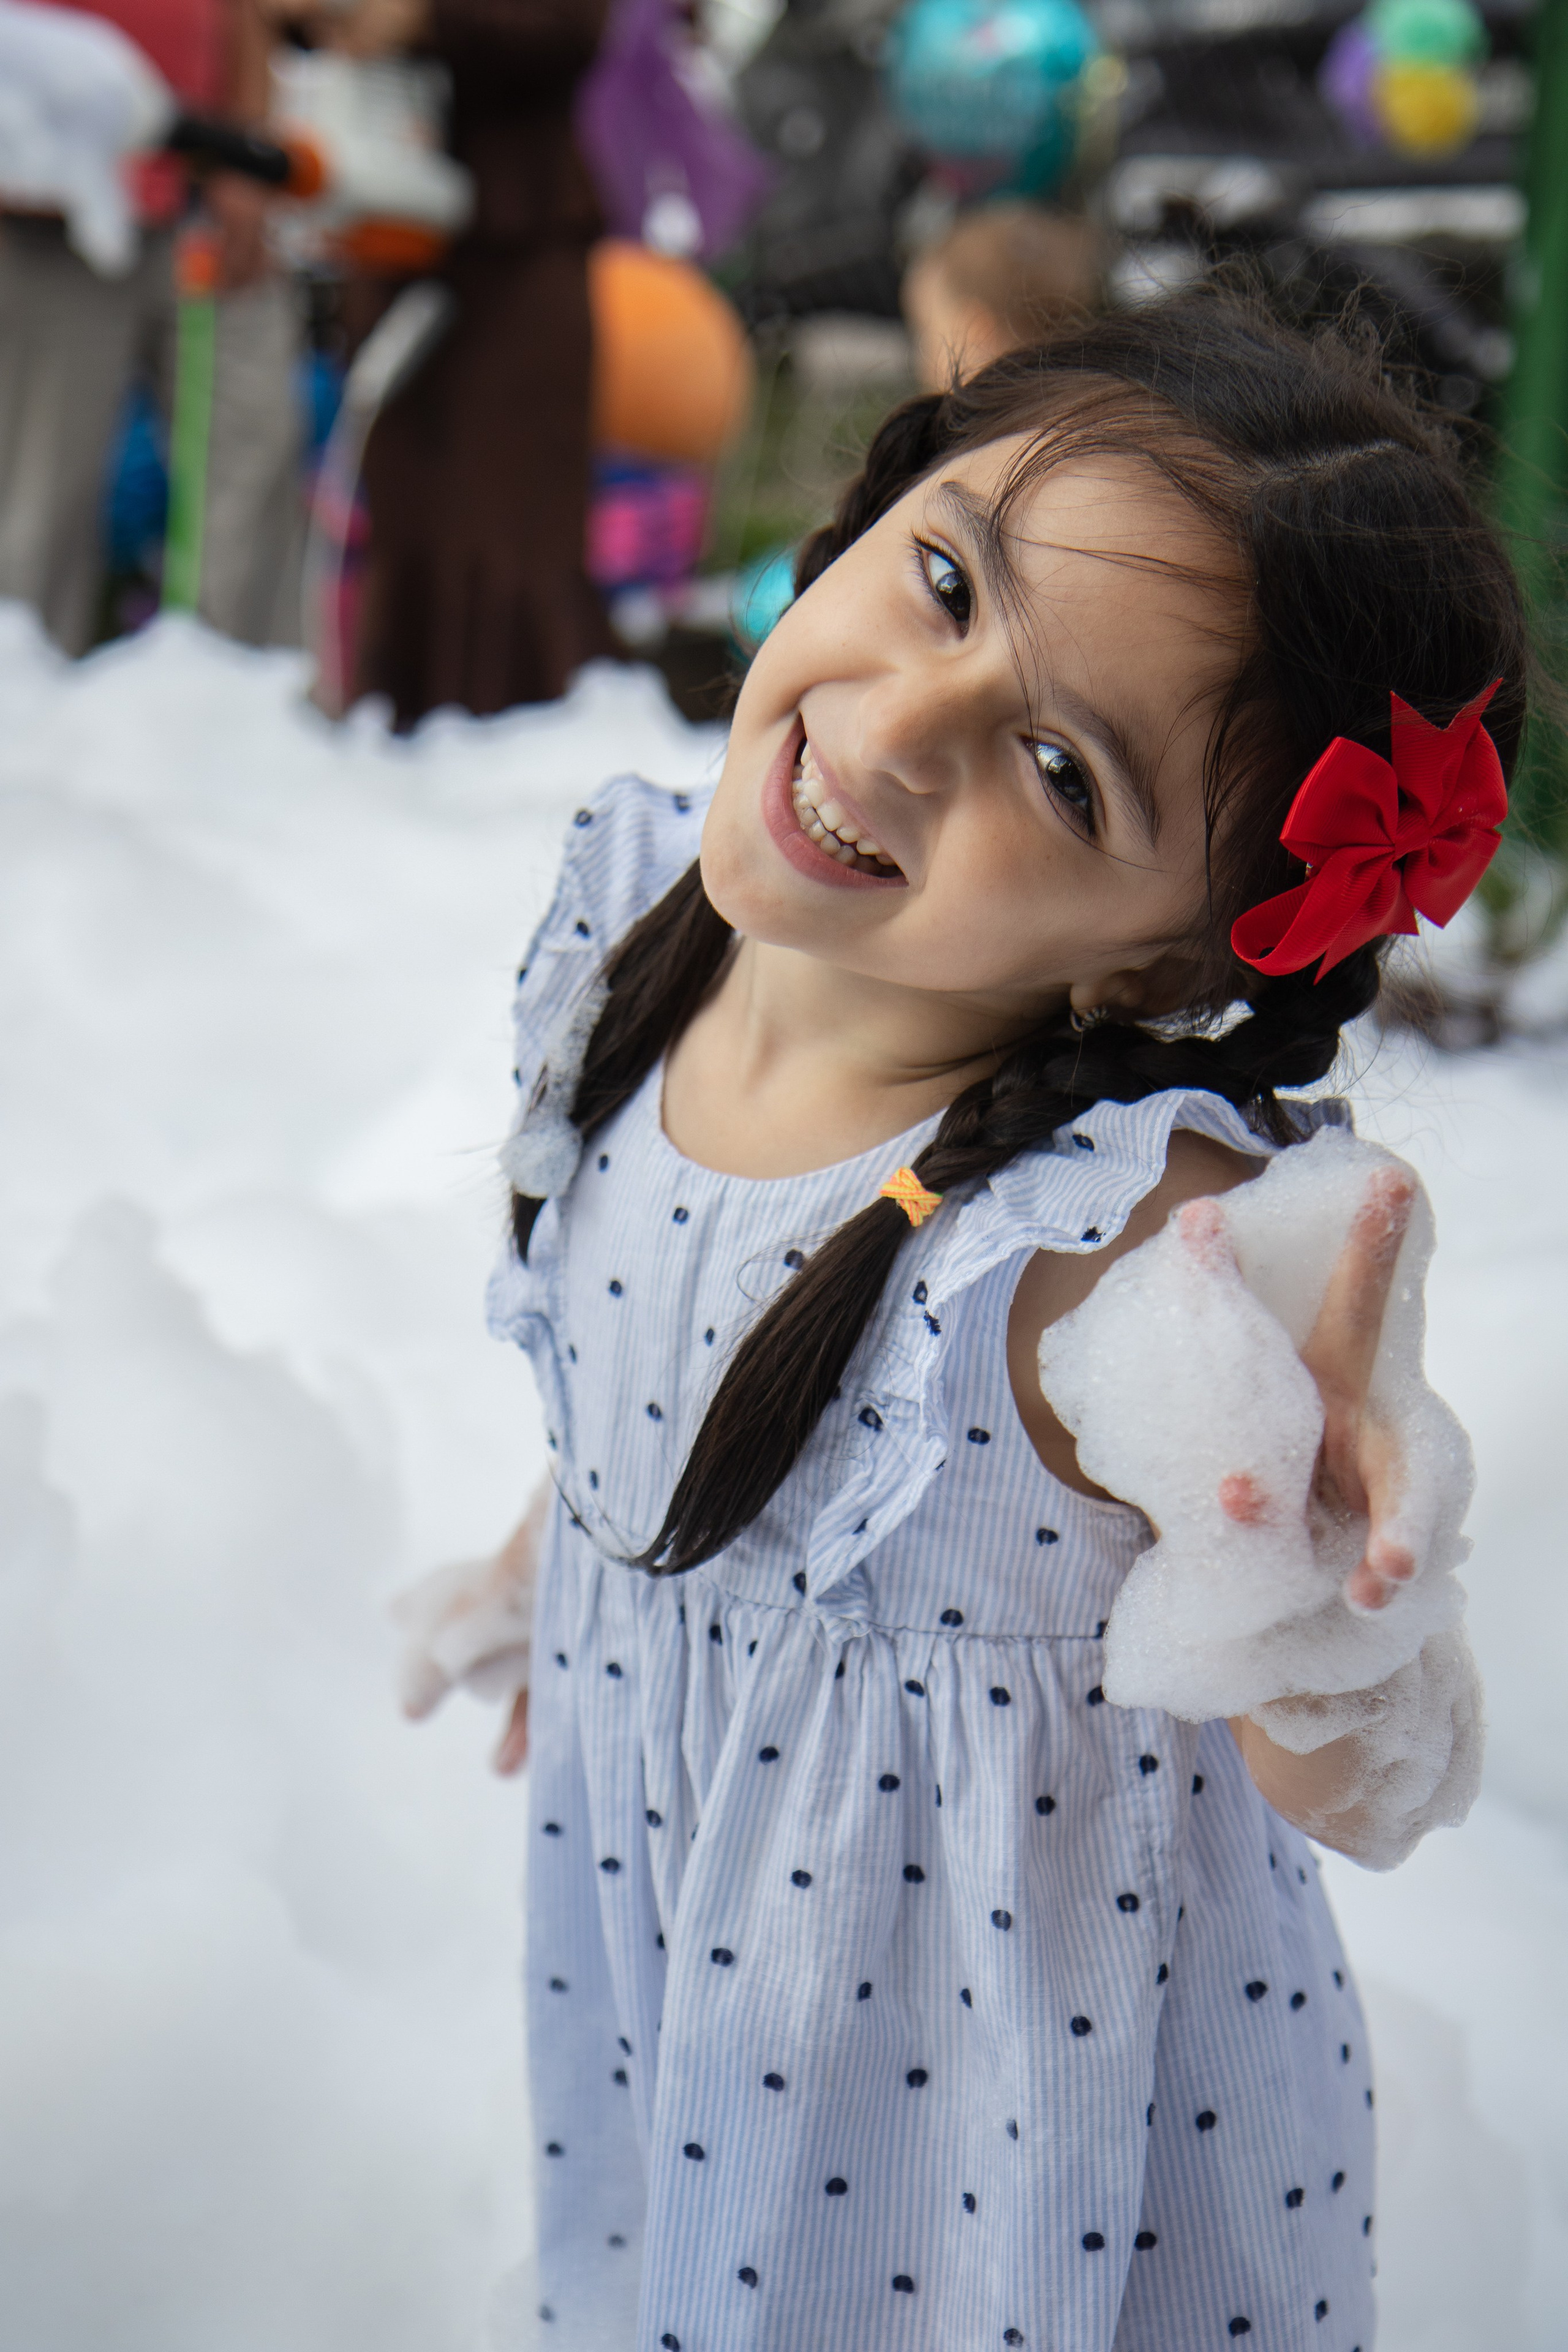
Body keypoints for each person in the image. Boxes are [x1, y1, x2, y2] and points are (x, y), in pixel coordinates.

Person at [398, 283, 1525, 2347]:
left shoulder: (1110, 1253)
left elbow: (1361, 1788)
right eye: (945, 584)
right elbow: (684, 1369)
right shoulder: (653, 950)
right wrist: (564, 1559)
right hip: (691, 1964)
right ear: (881, 501)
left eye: (1063, 772)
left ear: (1166, 964)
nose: (904, 729)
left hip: (1006, 2103)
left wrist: (1322, 1604)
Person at [335, 0, 612, 726]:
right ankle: (399, 718)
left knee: (509, 509)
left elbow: (573, 28)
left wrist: (425, 19)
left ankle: (507, 727)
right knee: (407, 506)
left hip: (520, 233)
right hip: (388, 221)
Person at [0, 0, 306, 653]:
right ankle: (20, 696)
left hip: (202, 190)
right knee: (38, 500)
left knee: (253, 459)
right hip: (41, 203)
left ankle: (237, 690)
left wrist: (245, 154)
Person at [902, 200, 1104, 392]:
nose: (922, 368)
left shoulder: (995, 415)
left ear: (975, 332)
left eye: (925, 341)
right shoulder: (1092, 390)